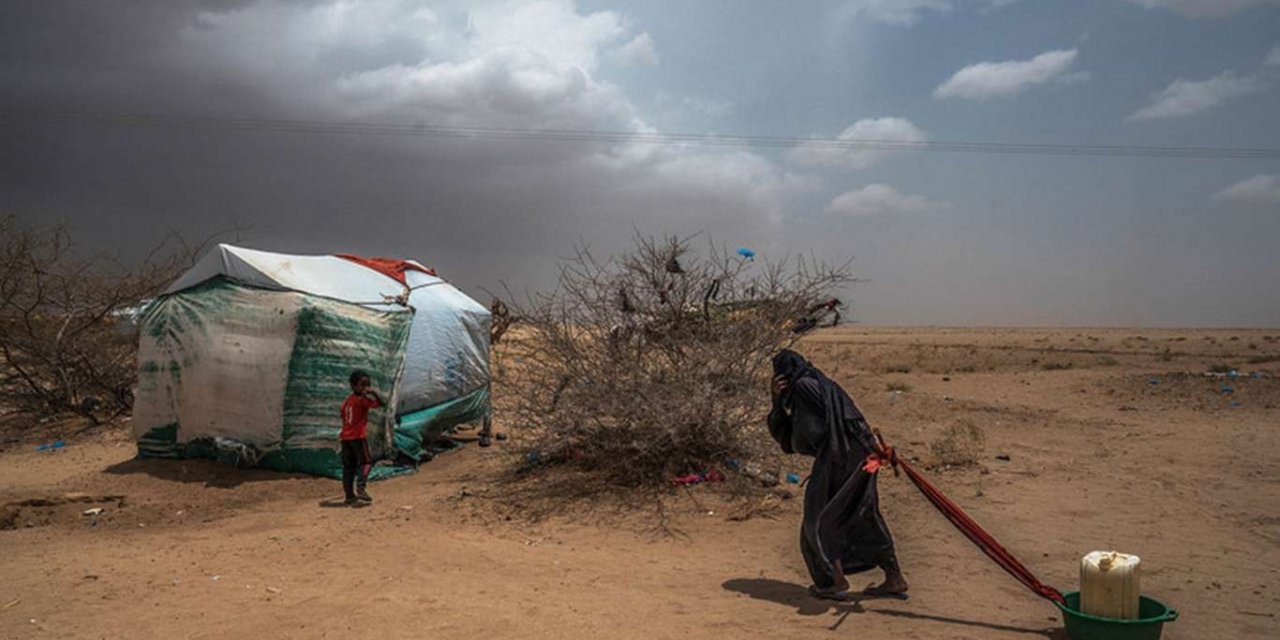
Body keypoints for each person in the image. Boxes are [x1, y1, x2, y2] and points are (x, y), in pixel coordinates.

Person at [768, 349, 908, 601]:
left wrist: (876, 449)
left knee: (818, 517)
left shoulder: (803, 386)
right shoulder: (816, 383)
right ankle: (893, 577)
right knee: (862, 513)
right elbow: (850, 418)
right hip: (853, 455)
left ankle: (834, 580)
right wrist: (873, 447)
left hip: (839, 456)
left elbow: (848, 417)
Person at [341, 369, 385, 506]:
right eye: (363, 384)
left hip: (345, 438)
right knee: (366, 462)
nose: (366, 388)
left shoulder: (347, 401)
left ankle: (349, 495)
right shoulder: (362, 400)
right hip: (358, 437)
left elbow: (343, 415)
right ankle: (361, 489)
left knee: (349, 467)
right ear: (354, 386)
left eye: (368, 384)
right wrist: (373, 392)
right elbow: (381, 403)